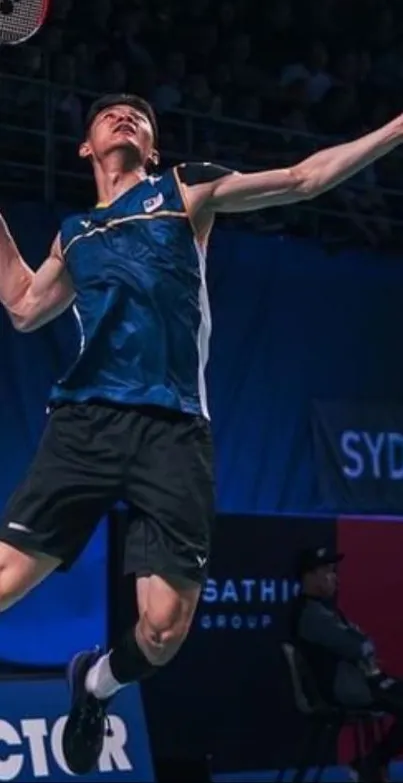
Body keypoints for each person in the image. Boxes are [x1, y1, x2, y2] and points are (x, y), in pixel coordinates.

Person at [0, 94, 403, 775]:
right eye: (108, 114)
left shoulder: (184, 189)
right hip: (86, 424)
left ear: (153, 147)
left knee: (161, 631)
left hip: (175, 431)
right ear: (84, 148)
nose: (124, 116)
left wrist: (395, 127)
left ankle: (94, 683)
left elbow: (303, 179)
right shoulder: (74, 233)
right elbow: (22, 307)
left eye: (139, 115)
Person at [290, 546, 403, 782]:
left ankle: (370, 763)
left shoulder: (324, 610)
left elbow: (361, 642)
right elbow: (359, 645)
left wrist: (361, 643)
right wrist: (360, 643)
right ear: (309, 576)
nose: (335, 577)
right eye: (328, 571)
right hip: (346, 690)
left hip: (360, 682)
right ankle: (370, 763)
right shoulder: (311, 614)